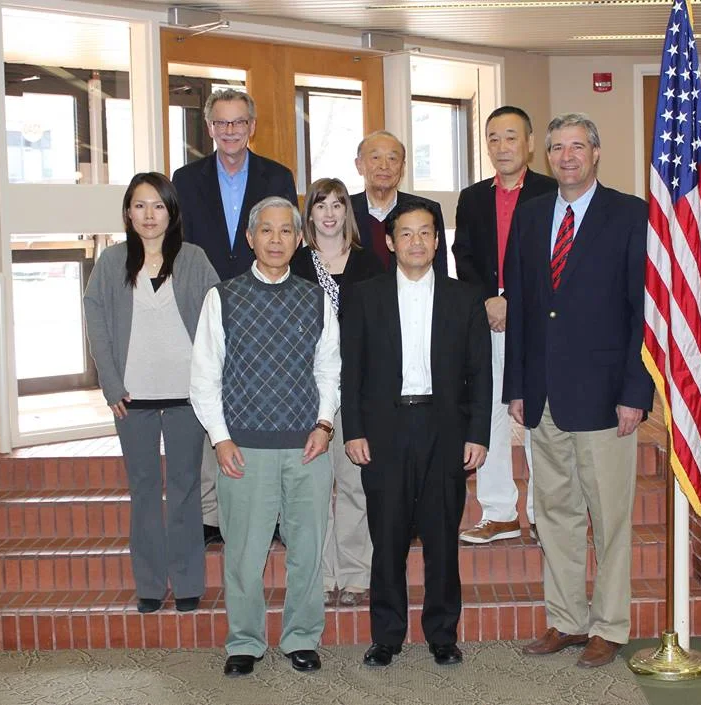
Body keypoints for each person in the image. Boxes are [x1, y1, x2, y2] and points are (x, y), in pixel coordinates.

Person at [503, 113, 654, 668]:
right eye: (558, 148)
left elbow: (644, 312)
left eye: (577, 147)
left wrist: (636, 391)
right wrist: (517, 385)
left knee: (610, 519)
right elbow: (520, 305)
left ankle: (609, 626)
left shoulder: (630, 215)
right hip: (542, 396)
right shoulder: (533, 214)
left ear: (595, 153)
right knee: (557, 513)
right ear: (548, 158)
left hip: (606, 397)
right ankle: (566, 620)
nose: (567, 157)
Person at [189, 197, 340, 677]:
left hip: (307, 447)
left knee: (307, 551)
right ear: (251, 238)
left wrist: (324, 424)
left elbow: (328, 368)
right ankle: (245, 641)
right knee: (243, 553)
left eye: (285, 232)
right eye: (266, 231)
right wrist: (220, 438)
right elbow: (204, 377)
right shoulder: (223, 297)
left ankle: (301, 637)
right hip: (243, 449)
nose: (276, 240)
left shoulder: (316, 297)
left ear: (299, 240)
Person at [341, 201, 492, 668]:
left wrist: (478, 433)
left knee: (443, 537)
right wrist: (354, 430)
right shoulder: (365, 296)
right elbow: (353, 370)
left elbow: (480, 373)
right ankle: (386, 635)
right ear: (389, 242)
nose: (416, 242)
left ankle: (442, 634)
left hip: (444, 430)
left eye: (425, 233)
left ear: (436, 240)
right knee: (386, 539)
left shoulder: (464, 297)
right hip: (384, 430)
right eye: (405, 234)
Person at [84, 172, 219, 615]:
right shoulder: (111, 262)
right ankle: (148, 583)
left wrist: (211, 383)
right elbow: (98, 323)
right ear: (128, 212)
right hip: (132, 396)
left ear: (171, 212)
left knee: (183, 488)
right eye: (140, 205)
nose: (149, 214)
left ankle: (186, 582)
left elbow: (218, 322)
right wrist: (110, 384)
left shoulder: (194, 259)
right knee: (143, 488)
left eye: (157, 205)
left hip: (186, 395)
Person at [172, 88, 299, 548]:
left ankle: (276, 514)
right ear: (209, 128)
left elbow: (285, 238)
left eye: (239, 122)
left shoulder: (277, 175)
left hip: (264, 303)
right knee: (208, 398)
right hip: (205, 303)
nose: (230, 131)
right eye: (221, 123)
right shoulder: (184, 180)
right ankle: (211, 516)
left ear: (252, 127)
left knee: (266, 401)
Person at [452, 106, 557, 545]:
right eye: (493, 138)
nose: (502, 146)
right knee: (489, 412)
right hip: (487, 322)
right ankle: (499, 513)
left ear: (529, 143)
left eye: (511, 137)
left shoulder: (552, 191)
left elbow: (556, 259)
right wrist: (489, 302)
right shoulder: (472, 197)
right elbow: (464, 256)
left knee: (535, 414)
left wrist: (514, 300)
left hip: (535, 323)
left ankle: (543, 514)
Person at [289, 177, 383, 608]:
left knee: (354, 485)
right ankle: (322, 575)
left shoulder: (371, 265)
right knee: (313, 487)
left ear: (349, 212)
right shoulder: (294, 264)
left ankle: (356, 574)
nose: (329, 213)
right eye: (320, 205)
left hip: (358, 390)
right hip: (308, 392)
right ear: (308, 214)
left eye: (337, 205)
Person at [350, 131, 448, 275]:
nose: (384, 166)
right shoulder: (344, 210)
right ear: (359, 165)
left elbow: (439, 270)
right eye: (375, 157)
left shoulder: (426, 211)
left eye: (392, 158)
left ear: (402, 167)